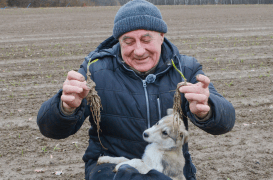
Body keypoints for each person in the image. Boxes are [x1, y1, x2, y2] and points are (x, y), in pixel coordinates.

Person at [37, 0, 235, 179]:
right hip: (111, 172)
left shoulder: (185, 70)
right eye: (128, 42)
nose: (139, 51)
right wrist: (65, 108)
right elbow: (50, 129)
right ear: (119, 41)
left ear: (161, 37)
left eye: (146, 40)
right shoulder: (95, 70)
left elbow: (225, 122)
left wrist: (207, 110)